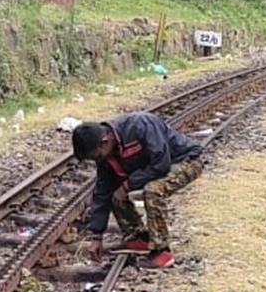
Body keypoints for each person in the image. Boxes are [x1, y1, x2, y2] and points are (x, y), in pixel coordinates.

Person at [71, 112, 203, 269]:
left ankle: (162, 251)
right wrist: (97, 236)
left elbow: (161, 164)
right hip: (153, 168)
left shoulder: (140, 125)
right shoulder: (106, 154)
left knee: (153, 191)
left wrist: (128, 185)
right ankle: (138, 238)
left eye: (96, 157)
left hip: (184, 161)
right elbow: (102, 192)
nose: (96, 161)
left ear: (104, 142)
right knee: (114, 193)